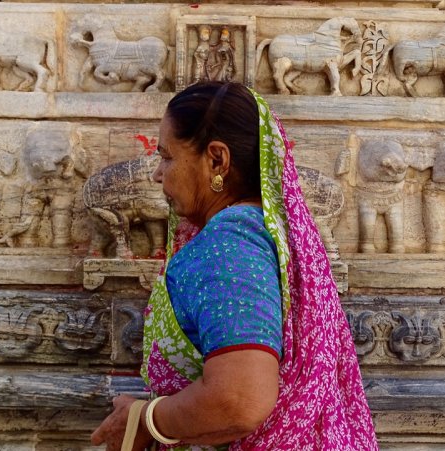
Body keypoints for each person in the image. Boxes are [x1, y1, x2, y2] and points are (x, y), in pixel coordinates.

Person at [91, 81, 378, 450]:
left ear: (217, 159)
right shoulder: (266, 233)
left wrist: (145, 420)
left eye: (167, 157)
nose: (157, 175)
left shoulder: (230, 246)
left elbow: (239, 399)